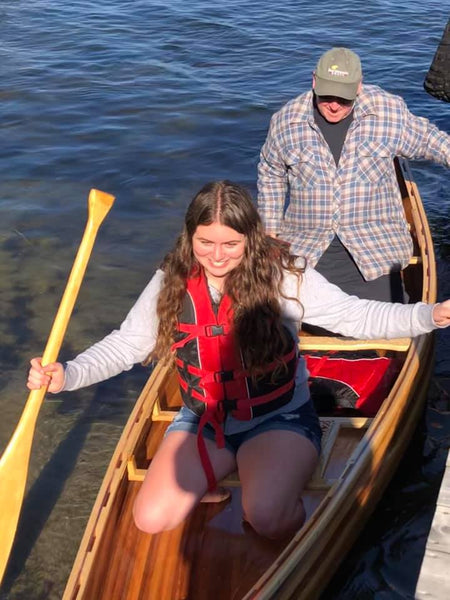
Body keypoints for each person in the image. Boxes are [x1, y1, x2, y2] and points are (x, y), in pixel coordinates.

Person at [27, 181, 450, 540]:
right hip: (203, 420)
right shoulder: (171, 278)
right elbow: (127, 345)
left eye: (231, 244)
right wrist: (68, 374)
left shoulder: (283, 273)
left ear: (250, 237)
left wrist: (427, 315)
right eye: (204, 242)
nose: (216, 256)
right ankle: (218, 480)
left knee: (266, 518)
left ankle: (289, 507)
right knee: (150, 519)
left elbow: (355, 315)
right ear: (188, 237)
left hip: (277, 417)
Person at [257, 47, 450, 302]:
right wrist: (269, 230)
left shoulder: (387, 111)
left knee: (383, 319)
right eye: (326, 96)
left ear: (359, 87)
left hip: (375, 245)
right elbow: (271, 171)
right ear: (314, 81)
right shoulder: (286, 121)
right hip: (308, 245)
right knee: (283, 316)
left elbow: (429, 140)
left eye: (344, 98)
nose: (334, 106)